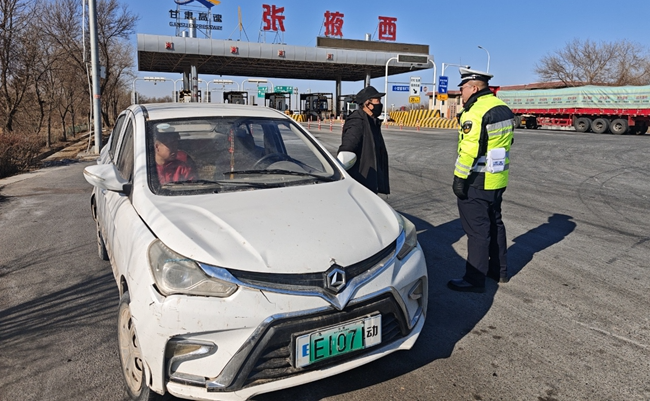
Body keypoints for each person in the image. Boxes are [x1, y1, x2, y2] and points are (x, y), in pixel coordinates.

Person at [448, 68, 515, 293]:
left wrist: (459, 178)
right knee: (496, 224)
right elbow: (508, 142)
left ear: (474, 88)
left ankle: (474, 279)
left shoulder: (475, 112)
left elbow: (469, 150)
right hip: (497, 178)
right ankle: (499, 271)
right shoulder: (502, 108)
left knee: (477, 231)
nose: (461, 93)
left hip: (476, 179)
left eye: (463, 88)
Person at [336, 85, 389, 194]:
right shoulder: (357, 122)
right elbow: (347, 150)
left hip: (370, 181)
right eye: (377, 100)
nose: (380, 104)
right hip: (361, 183)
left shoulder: (372, 122)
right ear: (368, 104)